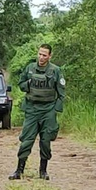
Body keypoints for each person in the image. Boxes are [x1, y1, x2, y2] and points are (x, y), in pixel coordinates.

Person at [8, 44, 66, 180]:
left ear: (50, 56)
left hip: (48, 110)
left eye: (44, 55)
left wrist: (56, 109)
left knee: (46, 140)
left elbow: (61, 92)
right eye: (39, 54)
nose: (41, 57)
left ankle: (43, 171)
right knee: (27, 140)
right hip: (32, 109)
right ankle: (19, 170)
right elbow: (21, 85)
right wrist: (28, 84)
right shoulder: (30, 68)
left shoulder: (55, 71)